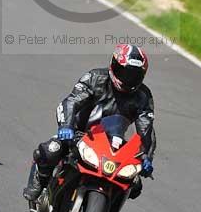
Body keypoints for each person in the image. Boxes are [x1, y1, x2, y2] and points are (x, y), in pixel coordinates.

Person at [23, 44, 156, 201]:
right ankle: (41, 177)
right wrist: (66, 126)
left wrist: (146, 156)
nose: (128, 79)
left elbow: (146, 128)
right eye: (124, 73)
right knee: (51, 150)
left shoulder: (143, 96)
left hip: (114, 143)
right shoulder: (95, 78)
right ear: (113, 65)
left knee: (135, 184)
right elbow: (71, 102)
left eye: (134, 76)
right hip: (80, 134)